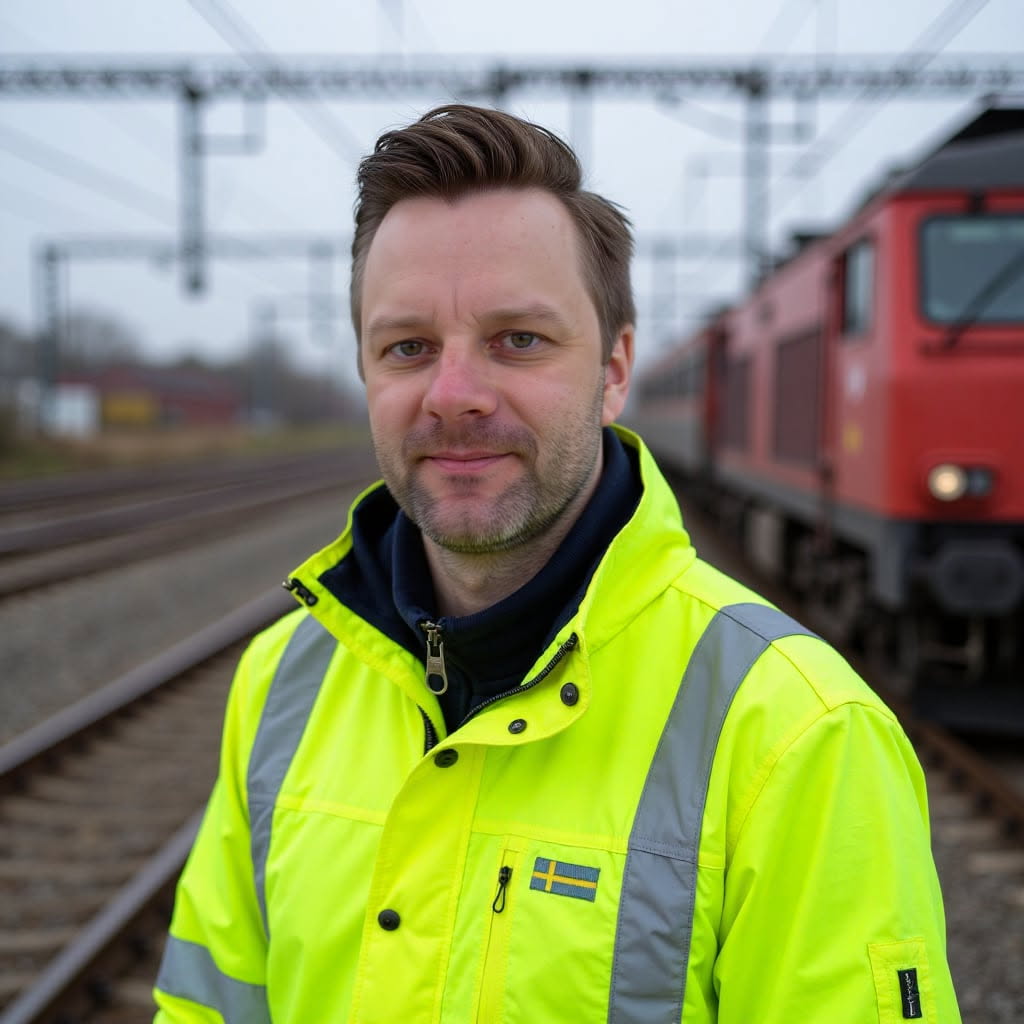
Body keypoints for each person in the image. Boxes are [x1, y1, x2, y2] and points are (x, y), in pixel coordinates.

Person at [153, 104, 960, 1023]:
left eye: (518, 340)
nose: (454, 396)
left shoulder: (800, 733)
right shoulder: (280, 684)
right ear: (368, 371)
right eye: (408, 347)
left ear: (614, 371)